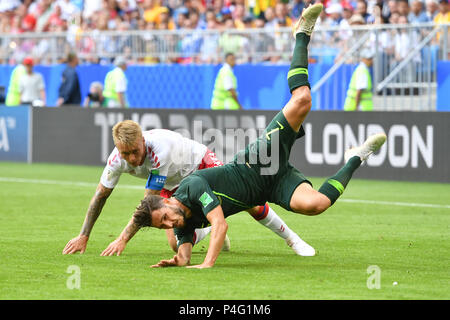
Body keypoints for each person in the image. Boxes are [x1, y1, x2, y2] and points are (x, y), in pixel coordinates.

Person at [127, 3, 387, 269]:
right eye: (164, 225)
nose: (171, 223)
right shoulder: (184, 223)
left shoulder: (192, 187)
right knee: (316, 204)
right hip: (270, 187)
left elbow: (220, 224)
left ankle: (302, 34)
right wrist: (175, 262)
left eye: (166, 217)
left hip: (261, 161)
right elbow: (183, 256)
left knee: (303, 98)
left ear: (168, 201)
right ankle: (356, 157)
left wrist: (207, 264)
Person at [63, 126, 315, 257]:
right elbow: (100, 196)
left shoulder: (157, 150)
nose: (131, 158)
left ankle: (293, 239)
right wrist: (84, 235)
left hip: (199, 163)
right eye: (125, 153)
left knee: (249, 201)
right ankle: (211, 228)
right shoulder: (117, 160)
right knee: (176, 244)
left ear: (142, 140)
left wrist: (122, 239)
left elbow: (148, 204)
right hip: (172, 183)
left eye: (134, 152)